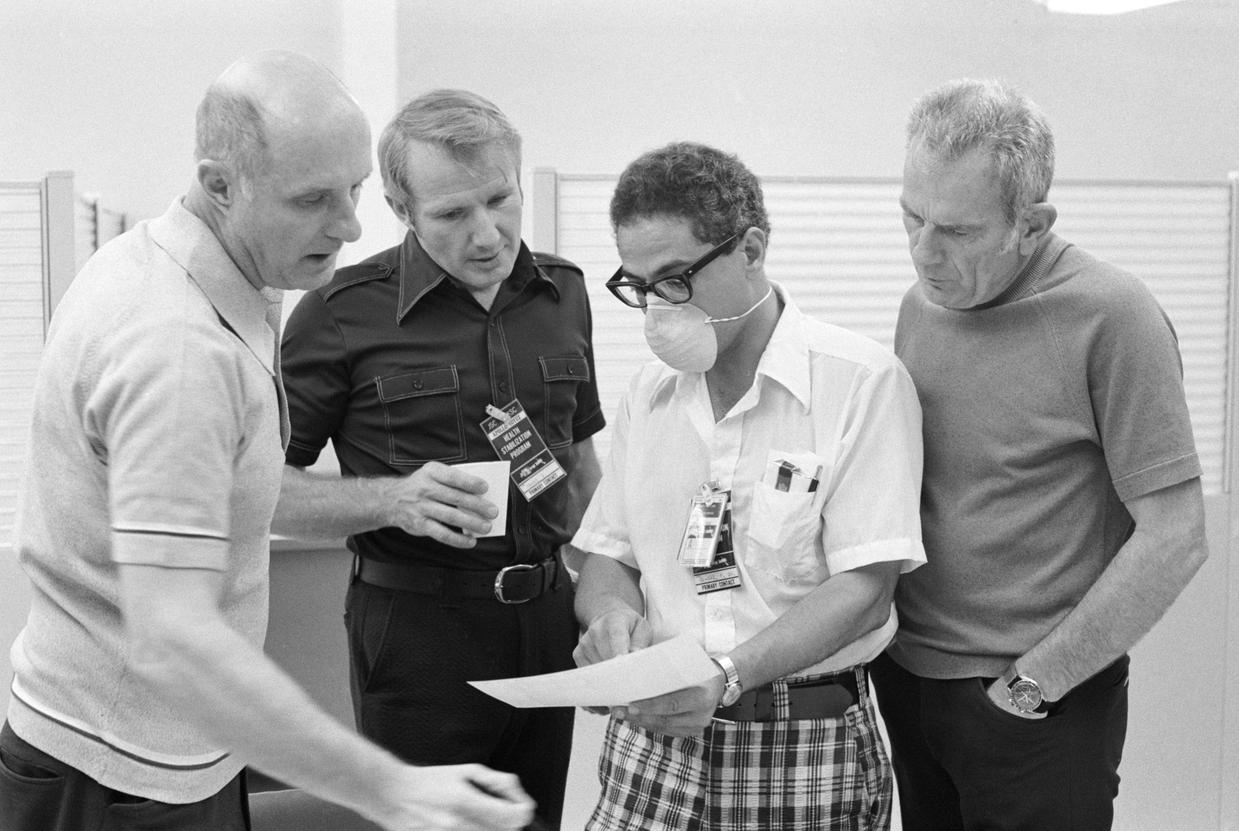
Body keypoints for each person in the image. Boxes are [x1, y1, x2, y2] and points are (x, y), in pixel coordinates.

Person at [0, 51, 534, 831]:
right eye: (314, 199)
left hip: (176, 744)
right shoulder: (176, 345)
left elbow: (237, 487)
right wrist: (389, 787)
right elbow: (172, 638)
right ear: (220, 184)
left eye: (353, 192)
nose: (350, 226)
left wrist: (392, 497)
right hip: (116, 766)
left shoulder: (219, 278)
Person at [868, 78, 1210, 831]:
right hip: (908, 681)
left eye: (956, 230)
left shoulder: (1114, 316)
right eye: (911, 216)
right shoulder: (919, 304)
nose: (925, 252)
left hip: (1032, 703)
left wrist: (1031, 687)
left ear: (1032, 222)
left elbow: (1176, 535)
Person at [570, 141, 926, 830]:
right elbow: (608, 556)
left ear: (751, 248)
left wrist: (727, 675)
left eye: (675, 279)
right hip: (655, 746)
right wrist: (610, 620)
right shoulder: (651, 394)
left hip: (802, 745)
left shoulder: (860, 383)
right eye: (638, 286)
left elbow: (864, 588)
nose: (656, 309)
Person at [276, 88, 604, 830]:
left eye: (500, 198)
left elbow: (581, 468)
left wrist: (612, 590)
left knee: (535, 821)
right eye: (453, 214)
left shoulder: (565, 294)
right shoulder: (337, 313)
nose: (487, 234)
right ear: (399, 207)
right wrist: (390, 500)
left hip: (548, 618)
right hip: (419, 632)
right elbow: (256, 492)